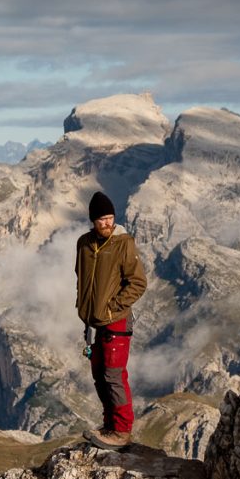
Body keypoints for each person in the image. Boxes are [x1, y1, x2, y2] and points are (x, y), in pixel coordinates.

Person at [75, 191, 147, 450]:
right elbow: (82, 277)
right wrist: (86, 309)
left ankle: (122, 430)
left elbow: (138, 283)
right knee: (99, 375)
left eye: (110, 218)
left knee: (114, 375)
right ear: (93, 220)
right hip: (94, 322)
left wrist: (112, 308)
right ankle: (109, 425)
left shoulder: (123, 243)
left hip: (116, 321)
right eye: (102, 219)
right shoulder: (83, 243)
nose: (107, 223)